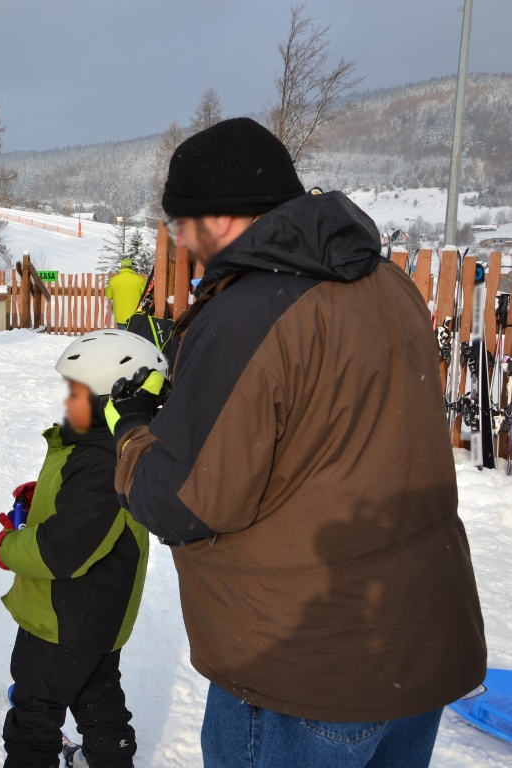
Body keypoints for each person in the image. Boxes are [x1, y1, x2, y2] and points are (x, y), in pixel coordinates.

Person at [108, 118, 486, 768]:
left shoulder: (246, 314)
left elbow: (183, 502)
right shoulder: (385, 281)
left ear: (219, 216)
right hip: (415, 647)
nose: (179, 240)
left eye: (180, 222)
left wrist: (134, 429)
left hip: (303, 668)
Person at [0, 330, 167, 768]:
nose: (67, 400)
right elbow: (87, 513)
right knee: (98, 700)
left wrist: (6, 547)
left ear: (111, 401)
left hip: (62, 620)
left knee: (34, 713)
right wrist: (44, 495)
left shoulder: (99, 461)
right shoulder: (107, 448)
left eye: (76, 393)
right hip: (98, 617)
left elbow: (61, 550)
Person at [104, 258, 146, 329]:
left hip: (120, 315)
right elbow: (145, 294)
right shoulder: (140, 279)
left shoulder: (114, 280)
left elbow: (108, 295)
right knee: (134, 335)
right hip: (136, 316)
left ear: (121, 267)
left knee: (123, 335)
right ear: (131, 267)